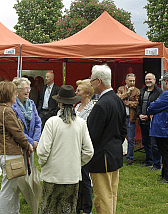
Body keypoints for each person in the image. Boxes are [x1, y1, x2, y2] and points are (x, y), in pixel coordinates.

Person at [37, 85, 94, 214]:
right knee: (68, 209)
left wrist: (44, 163)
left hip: (52, 175)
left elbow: (42, 150)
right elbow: (89, 151)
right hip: (72, 176)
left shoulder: (52, 122)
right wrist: (77, 164)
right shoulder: (81, 123)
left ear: (59, 103)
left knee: (49, 209)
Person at [87, 64, 127, 214]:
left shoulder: (101, 105)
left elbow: (91, 135)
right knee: (111, 194)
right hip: (114, 153)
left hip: (101, 157)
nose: (90, 83)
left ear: (98, 81)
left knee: (102, 197)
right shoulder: (117, 100)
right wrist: (114, 143)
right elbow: (123, 130)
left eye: (91, 80)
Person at [0, 81, 33, 214]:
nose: (16, 95)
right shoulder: (7, 111)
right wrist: (28, 146)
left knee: (13, 188)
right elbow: (18, 134)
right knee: (8, 190)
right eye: (14, 92)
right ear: (8, 95)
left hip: (2, 152)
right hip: (10, 154)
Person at [11, 77, 41, 170]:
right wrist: (31, 142)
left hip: (31, 146)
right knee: (18, 173)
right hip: (18, 145)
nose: (28, 91)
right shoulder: (12, 106)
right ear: (17, 91)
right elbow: (16, 129)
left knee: (29, 171)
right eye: (25, 89)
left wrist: (35, 140)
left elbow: (38, 123)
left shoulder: (31, 104)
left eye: (29, 88)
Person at [74, 79, 95, 214]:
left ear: (87, 93)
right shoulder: (76, 107)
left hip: (85, 148)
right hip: (74, 147)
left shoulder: (93, 109)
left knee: (85, 177)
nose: (76, 92)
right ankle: (78, 204)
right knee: (77, 178)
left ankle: (87, 207)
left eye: (79, 90)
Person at [136, 73, 163, 171]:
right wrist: (139, 115)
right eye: (146, 79)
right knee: (145, 142)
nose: (148, 81)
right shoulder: (142, 91)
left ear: (155, 80)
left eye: (150, 79)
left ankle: (157, 164)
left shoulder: (159, 92)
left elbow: (159, 107)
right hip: (143, 121)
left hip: (153, 122)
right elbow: (138, 105)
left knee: (154, 144)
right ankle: (148, 161)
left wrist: (149, 116)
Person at [117, 73, 140, 166]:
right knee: (119, 138)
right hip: (121, 118)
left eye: (133, 81)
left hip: (130, 118)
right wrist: (127, 94)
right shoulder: (121, 89)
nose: (132, 82)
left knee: (130, 139)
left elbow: (136, 104)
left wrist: (125, 102)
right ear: (126, 81)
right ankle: (118, 157)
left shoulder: (137, 91)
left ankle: (129, 158)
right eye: (130, 80)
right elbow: (118, 99)